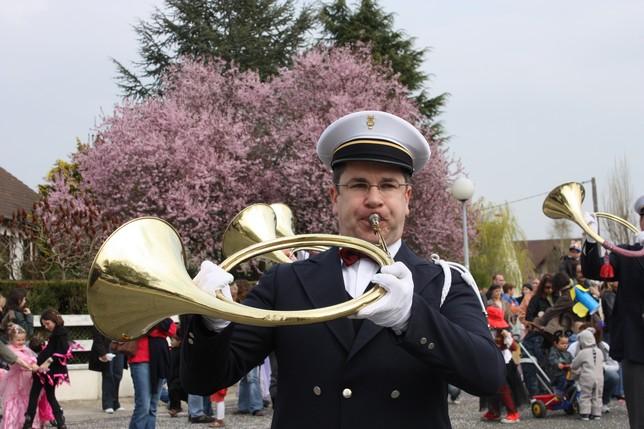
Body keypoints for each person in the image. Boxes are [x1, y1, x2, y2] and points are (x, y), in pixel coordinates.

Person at [181, 110, 505, 428]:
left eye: (388, 185)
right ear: (335, 196)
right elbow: (204, 380)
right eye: (359, 185)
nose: (374, 199)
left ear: (407, 198)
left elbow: (488, 377)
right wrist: (211, 324)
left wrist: (412, 318)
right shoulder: (286, 280)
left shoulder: (445, 281)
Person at [582, 198, 644, 428]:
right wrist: (591, 238)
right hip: (637, 348)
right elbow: (594, 269)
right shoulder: (627, 254)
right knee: (639, 418)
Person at [22, 308, 71, 429]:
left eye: (48, 323)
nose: (46, 326)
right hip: (49, 370)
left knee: (35, 394)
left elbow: (63, 351)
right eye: (44, 324)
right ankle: (60, 422)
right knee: (49, 395)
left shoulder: (60, 333)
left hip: (47, 371)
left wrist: (46, 363)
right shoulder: (58, 333)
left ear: (55, 320)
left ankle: (28, 422)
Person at [480, 306, 526, 423]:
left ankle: (513, 413)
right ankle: (494, 411)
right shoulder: (484, 329)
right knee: (488, 386)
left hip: (503, 362)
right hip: (489, 361)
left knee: (503, 388)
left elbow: (515, 348)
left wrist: (507, 338)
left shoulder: (504, 332)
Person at [128, 318, 176, 429]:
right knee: (143, 406)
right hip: (140, 359)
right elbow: (138, 329)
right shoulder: (137, 311)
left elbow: (172, 330)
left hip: (160, 359)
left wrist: (156, 322)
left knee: (153, 406)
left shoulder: (161, 314)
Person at [0, 325, 41, 429]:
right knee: (13, 401)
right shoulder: (10, 349)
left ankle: (26, 423)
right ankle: (11, 425)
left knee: (26, 400)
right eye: (18, 340)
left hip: (26, 380)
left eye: (23, 339)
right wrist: (32, 365)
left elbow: (33, 357)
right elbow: (22, 360)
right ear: (11, 339)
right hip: (15, 380)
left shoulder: (25, 349)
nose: (21, 342)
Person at [88, 326, 127, 414]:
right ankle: (108, 404)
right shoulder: (101, 317)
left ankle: (115, 403)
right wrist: (102, 353)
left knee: (118, 375)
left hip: (119, 346)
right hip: (107, 346)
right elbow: (97, 336)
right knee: (108, 374)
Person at [571, 328, 604, 421]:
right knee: (597, 395)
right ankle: (597, 413)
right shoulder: (599, 351)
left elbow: (574, 365)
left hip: (587, 377)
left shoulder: (583, 352)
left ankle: (585, 413)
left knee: (586, 394)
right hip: (599, 377)